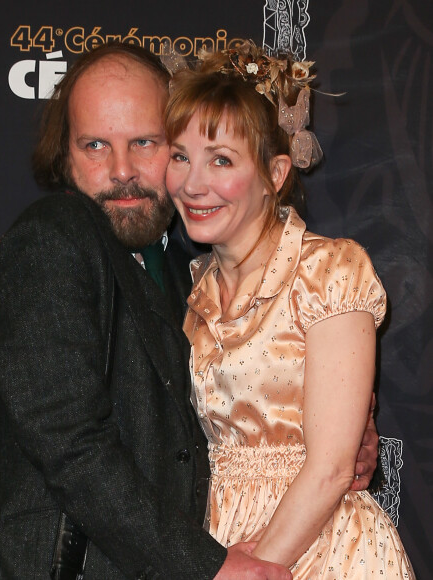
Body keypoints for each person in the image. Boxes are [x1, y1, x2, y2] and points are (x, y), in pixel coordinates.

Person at [0, 42, 377, 579]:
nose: (121, 170)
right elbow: (72, 447)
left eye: (145, 142)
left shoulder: (183, 270)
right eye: (94, 145)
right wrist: (212, 566)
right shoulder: (52, 239)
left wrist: (334, 431)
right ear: (64, 156)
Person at [163, 41, 415, 577]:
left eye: (221, 160)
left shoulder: (330, 271)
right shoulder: (188, 294)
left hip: (322, 546)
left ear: (275, 175)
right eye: (180, 156)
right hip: (217, 542)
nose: (192, 183)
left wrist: (253, 567)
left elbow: (329, 468)